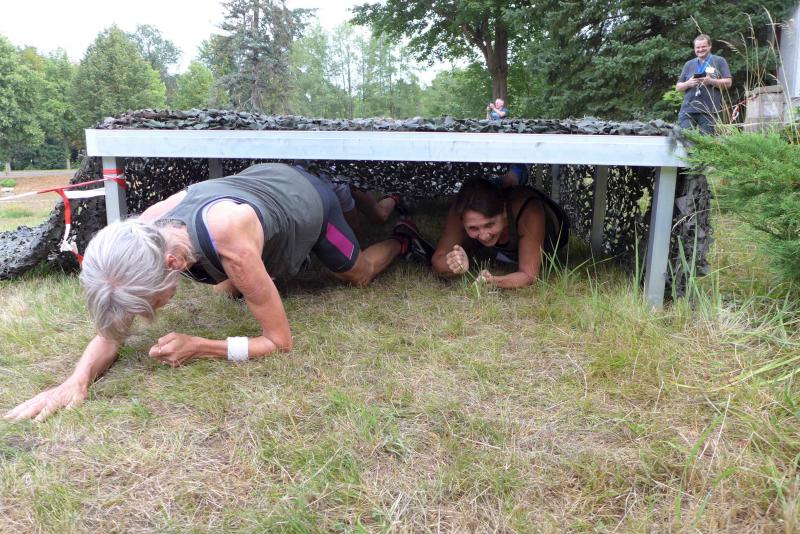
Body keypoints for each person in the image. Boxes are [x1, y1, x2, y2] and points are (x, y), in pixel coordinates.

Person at [4, 162, 432, 422]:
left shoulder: (231, 242)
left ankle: (402, 237)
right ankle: (375, 207)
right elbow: (112, 332)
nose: (146, 316)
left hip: (308, 200)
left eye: (150, 305)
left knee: (356, 273)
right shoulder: (145, 233)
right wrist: (75, 381)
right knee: (229, 288)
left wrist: (202, 347)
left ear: (172, 265)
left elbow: (280, 342)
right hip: (259, 185)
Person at [431, 177, 568, 289]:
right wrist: (454, 263)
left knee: (509, 183)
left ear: (504, 212)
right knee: (466, 245)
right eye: (473, 228)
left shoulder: (529, 212)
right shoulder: (461, 210)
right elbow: (437, 261)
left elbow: (529, 275)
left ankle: (514, 176)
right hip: (499, 246)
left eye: (489, 224)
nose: (484, 235)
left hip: (552, 231)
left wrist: (493, 281)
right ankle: (509, 178)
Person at [675, 34, 732, 134]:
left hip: (709, 110)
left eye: (703, 47)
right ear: (694, 48)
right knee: (685, 138)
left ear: (710, 46)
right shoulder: (688, 64)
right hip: (688, 109)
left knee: (706, 141)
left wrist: (711, 81)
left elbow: (728, 83)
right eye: (698, 47)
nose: (700, 49)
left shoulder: (719, 61)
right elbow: (678, 87)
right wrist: (688, 83)